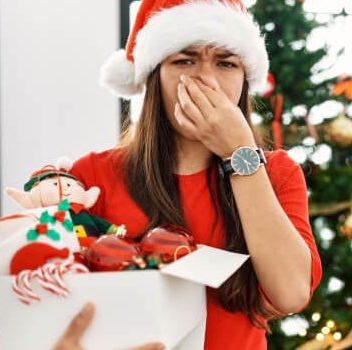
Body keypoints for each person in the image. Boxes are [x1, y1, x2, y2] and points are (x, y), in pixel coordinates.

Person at [57, 0, 323, 348]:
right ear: (155, 76)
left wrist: (239, 155)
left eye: (226, 63)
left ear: (245, 80)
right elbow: (58, 301)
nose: (206, 79)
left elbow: (290, 293)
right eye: (184, 60)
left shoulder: (276, 173)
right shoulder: (92, 174)